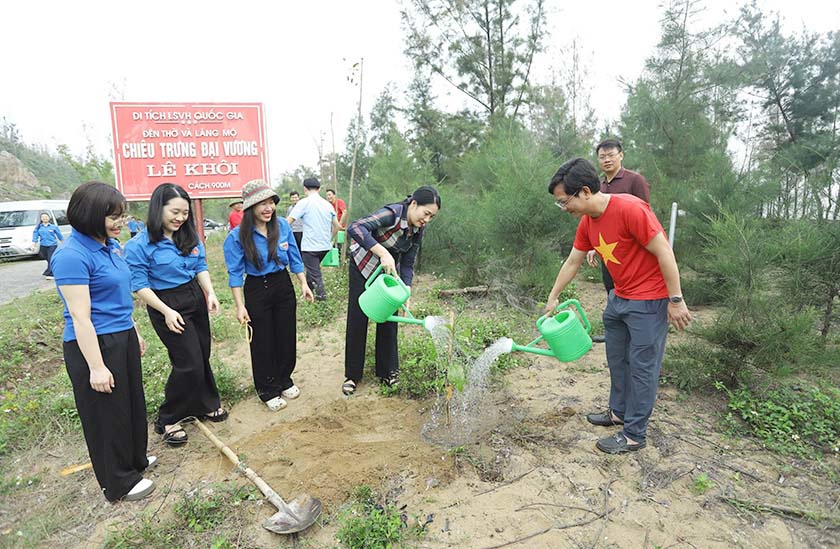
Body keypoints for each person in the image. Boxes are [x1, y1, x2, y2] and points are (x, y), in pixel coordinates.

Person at [544, 158, 691, 454]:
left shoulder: (630, 209)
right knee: (617, 360)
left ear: (584, 191)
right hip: (619, 299)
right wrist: (553, 295)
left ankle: (635, 434)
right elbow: (573, 260)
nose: (564, 208)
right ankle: (619, 412)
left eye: (564, 202)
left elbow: (664, 251)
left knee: (642, 367)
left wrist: (675, 299)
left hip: (649, 300)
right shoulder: (587, 222)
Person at [50, 181, 156, 502]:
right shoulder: (71, 255)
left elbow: (116, 295)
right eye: (113, 216)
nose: (120, 222)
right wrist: (96, 367)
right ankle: (118, 482)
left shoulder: (110, 246)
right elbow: (81, 317)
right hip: (92, 343)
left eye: (122, 216)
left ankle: (135, 460)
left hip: (120, 335)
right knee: (107, 413)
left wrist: (133, 328)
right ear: (90, 215)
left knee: (131, 404)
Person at [125, 183, 228, 447]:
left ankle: (206, 403)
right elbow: (139, 285)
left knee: (201, 354)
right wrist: (166, 311)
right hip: (165, 303)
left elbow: (201, 266)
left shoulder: (188, 236)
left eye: (185, 213)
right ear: (158, 208)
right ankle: (168, 418)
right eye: (175, 212)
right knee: (188, 362)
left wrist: (210, 293)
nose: (180, 218)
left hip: (193, 296)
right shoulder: (139, 245)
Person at [223, 180, 314, 411]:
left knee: (286, 335)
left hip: (282, 284)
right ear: (250, 207)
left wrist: (303, 283)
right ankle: (267, 389)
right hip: (256, 288)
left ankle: (285, 379)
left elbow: (294, 257)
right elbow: (234, 273)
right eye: (261, 203)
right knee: (263, 341)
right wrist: (239, 306)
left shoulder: (282, 226)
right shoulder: (236, 237)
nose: (268, 208)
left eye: (270, 202)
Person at [341, 186, 441, 395]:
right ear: (414, 204)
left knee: (388, 317)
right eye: (426, 213)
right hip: (364, 265)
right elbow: (355, 227)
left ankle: (387, 372)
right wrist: (382, 252)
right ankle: (352, 375)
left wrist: (406, 289)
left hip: (388, 271)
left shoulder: (418, 229)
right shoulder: (392, 214)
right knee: (358, 317)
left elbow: (408, 262)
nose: (427, 220)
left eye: (432, 216)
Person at [588, 139, 652, 343]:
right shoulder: (597, 185)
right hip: (607, 251)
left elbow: (645, 214)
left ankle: (636, 332)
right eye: (602, 156)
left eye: (611, 155)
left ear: (621, 155)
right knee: (611, 290)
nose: (607, 160)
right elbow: (593, 218)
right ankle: (615, 333)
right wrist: (591, 246)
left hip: (631, 253)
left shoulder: (634, 180)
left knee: (632, 293)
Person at [287, 178, 342, 301]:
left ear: (305, 189)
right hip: (324, 247)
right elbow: (337, 226)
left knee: (316, 275)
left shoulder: (304, 203)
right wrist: (330, 239)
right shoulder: (327, 205)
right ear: (319, 189)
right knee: (312, 271)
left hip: (310, 247)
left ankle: (322, 303)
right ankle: (308, 294)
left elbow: (288, 222)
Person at [31, 212, 64, 278]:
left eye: (46, 216)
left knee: (50, 258)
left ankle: (50, 274)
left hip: (52, 245)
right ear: (41, 219)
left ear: (49, 218)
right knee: (45, 257)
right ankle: (52, 269)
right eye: (43, 217)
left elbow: (60, 236)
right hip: (43, 245)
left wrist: (64, 244)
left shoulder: (53, 227)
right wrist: (33, 245)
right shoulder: (38, 228)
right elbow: (35, 237)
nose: (45, 218)